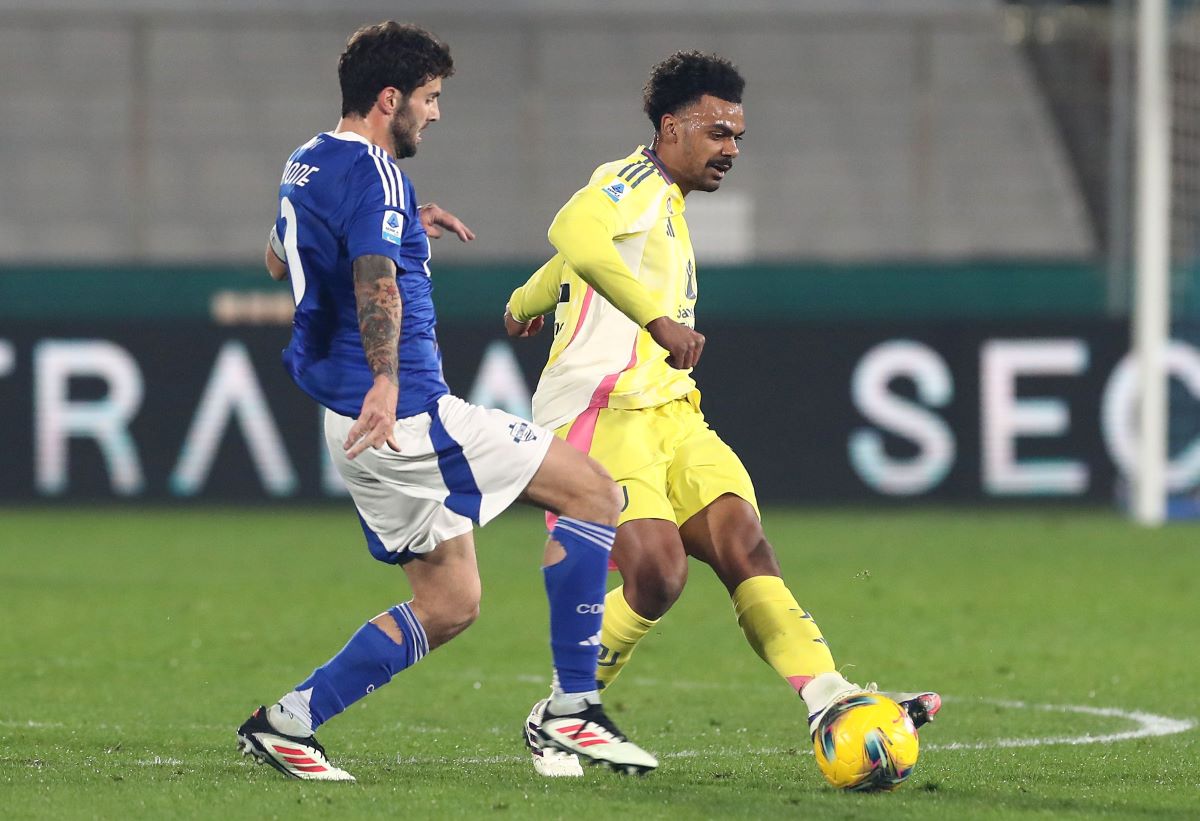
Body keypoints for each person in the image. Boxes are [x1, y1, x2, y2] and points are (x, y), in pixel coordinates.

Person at [235, 21, 657, 781]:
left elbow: (280, 257)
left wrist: (402, 231)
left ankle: (287, 721)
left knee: (452, 600)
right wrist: (389, 377)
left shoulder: (307, 161)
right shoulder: (378, 174)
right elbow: (374, 279)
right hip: (408, 415)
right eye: (429, 98)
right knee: (596, 492)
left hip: (350, 425)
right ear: (389, 97)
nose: (435, 113)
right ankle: (572, 709)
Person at [505, 50, 940, 778]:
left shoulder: (664, 205)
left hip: (673, 414)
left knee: (744, 543)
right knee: (657, 574)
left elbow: (580, 257)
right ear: (670, 127)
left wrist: (525, 300)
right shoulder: (633, 180)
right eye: (717, 133)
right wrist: (657, 322)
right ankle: (562, 711)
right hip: (599, 413)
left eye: (737, 135)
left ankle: (828, 695)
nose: (731, 149)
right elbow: (573, 230)